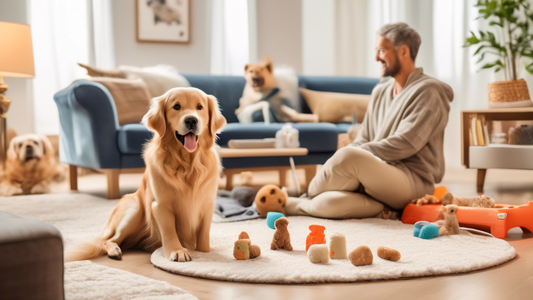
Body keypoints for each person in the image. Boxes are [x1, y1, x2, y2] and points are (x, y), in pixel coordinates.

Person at [286, 22, 454, 219]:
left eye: (382, 51)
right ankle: (298, 205)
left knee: (349, 156)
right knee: (334, 202)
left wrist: (357, 156)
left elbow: (405, 143)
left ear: (404, 51)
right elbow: (363, 137)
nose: (376, 57)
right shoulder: (380, 91)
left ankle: (303, 195)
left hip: (412, 180)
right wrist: (360, 157)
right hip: (376, 176)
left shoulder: (429, 91)